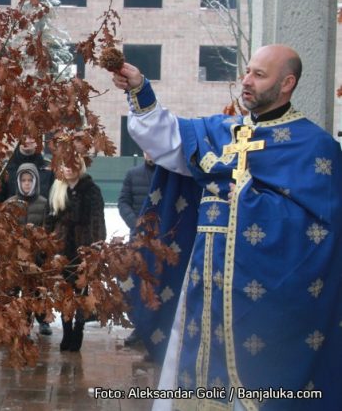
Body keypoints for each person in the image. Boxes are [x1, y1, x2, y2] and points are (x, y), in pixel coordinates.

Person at [112, 44, 342, 410]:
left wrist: (244, 196)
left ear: (287, 83)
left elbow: (319, 236)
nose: (246, 81)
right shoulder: (224, 131)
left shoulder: (316, 148)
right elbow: (169, 139)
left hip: (263, 310)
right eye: (247, 71)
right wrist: (139, 87)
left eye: (259, 75)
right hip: (202, 297)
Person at [46, 157, 105, 352]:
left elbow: (98, 222)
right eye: (65, 164)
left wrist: (94, 249)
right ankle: (66, 330)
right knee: (64, 293)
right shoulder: (57, 189)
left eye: (73, 165)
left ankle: (78, 329)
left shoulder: (91, 190)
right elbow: (50, 221)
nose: (69, 169)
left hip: (83, 250)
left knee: (81, 293)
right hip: (63, 250)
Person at [4, 163, 52, 336]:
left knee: (36, 290)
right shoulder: (10, 203)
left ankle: (41, 319)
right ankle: (13, 322)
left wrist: (41, 250)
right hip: (15, 256)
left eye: (30, 180)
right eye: (23, 180)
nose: (26, 183)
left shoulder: (44, 203)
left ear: (35, 182)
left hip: (36, 256)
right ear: (18, 182)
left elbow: (47, 229)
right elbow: (4, 231)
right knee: (13, 290)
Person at [117, 151, 155, 347]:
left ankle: (156, 326)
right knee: (135, 283)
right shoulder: (133, 174)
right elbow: (123, 202)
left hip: (161, 240)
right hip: (137, 238)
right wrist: (135, 223)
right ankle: (139, 326)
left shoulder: (170, 175)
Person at [0, 136, 54, 203]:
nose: (27, 140)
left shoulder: (48, 169)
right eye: (24, 137)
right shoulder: (6, 168)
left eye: (31, 137)